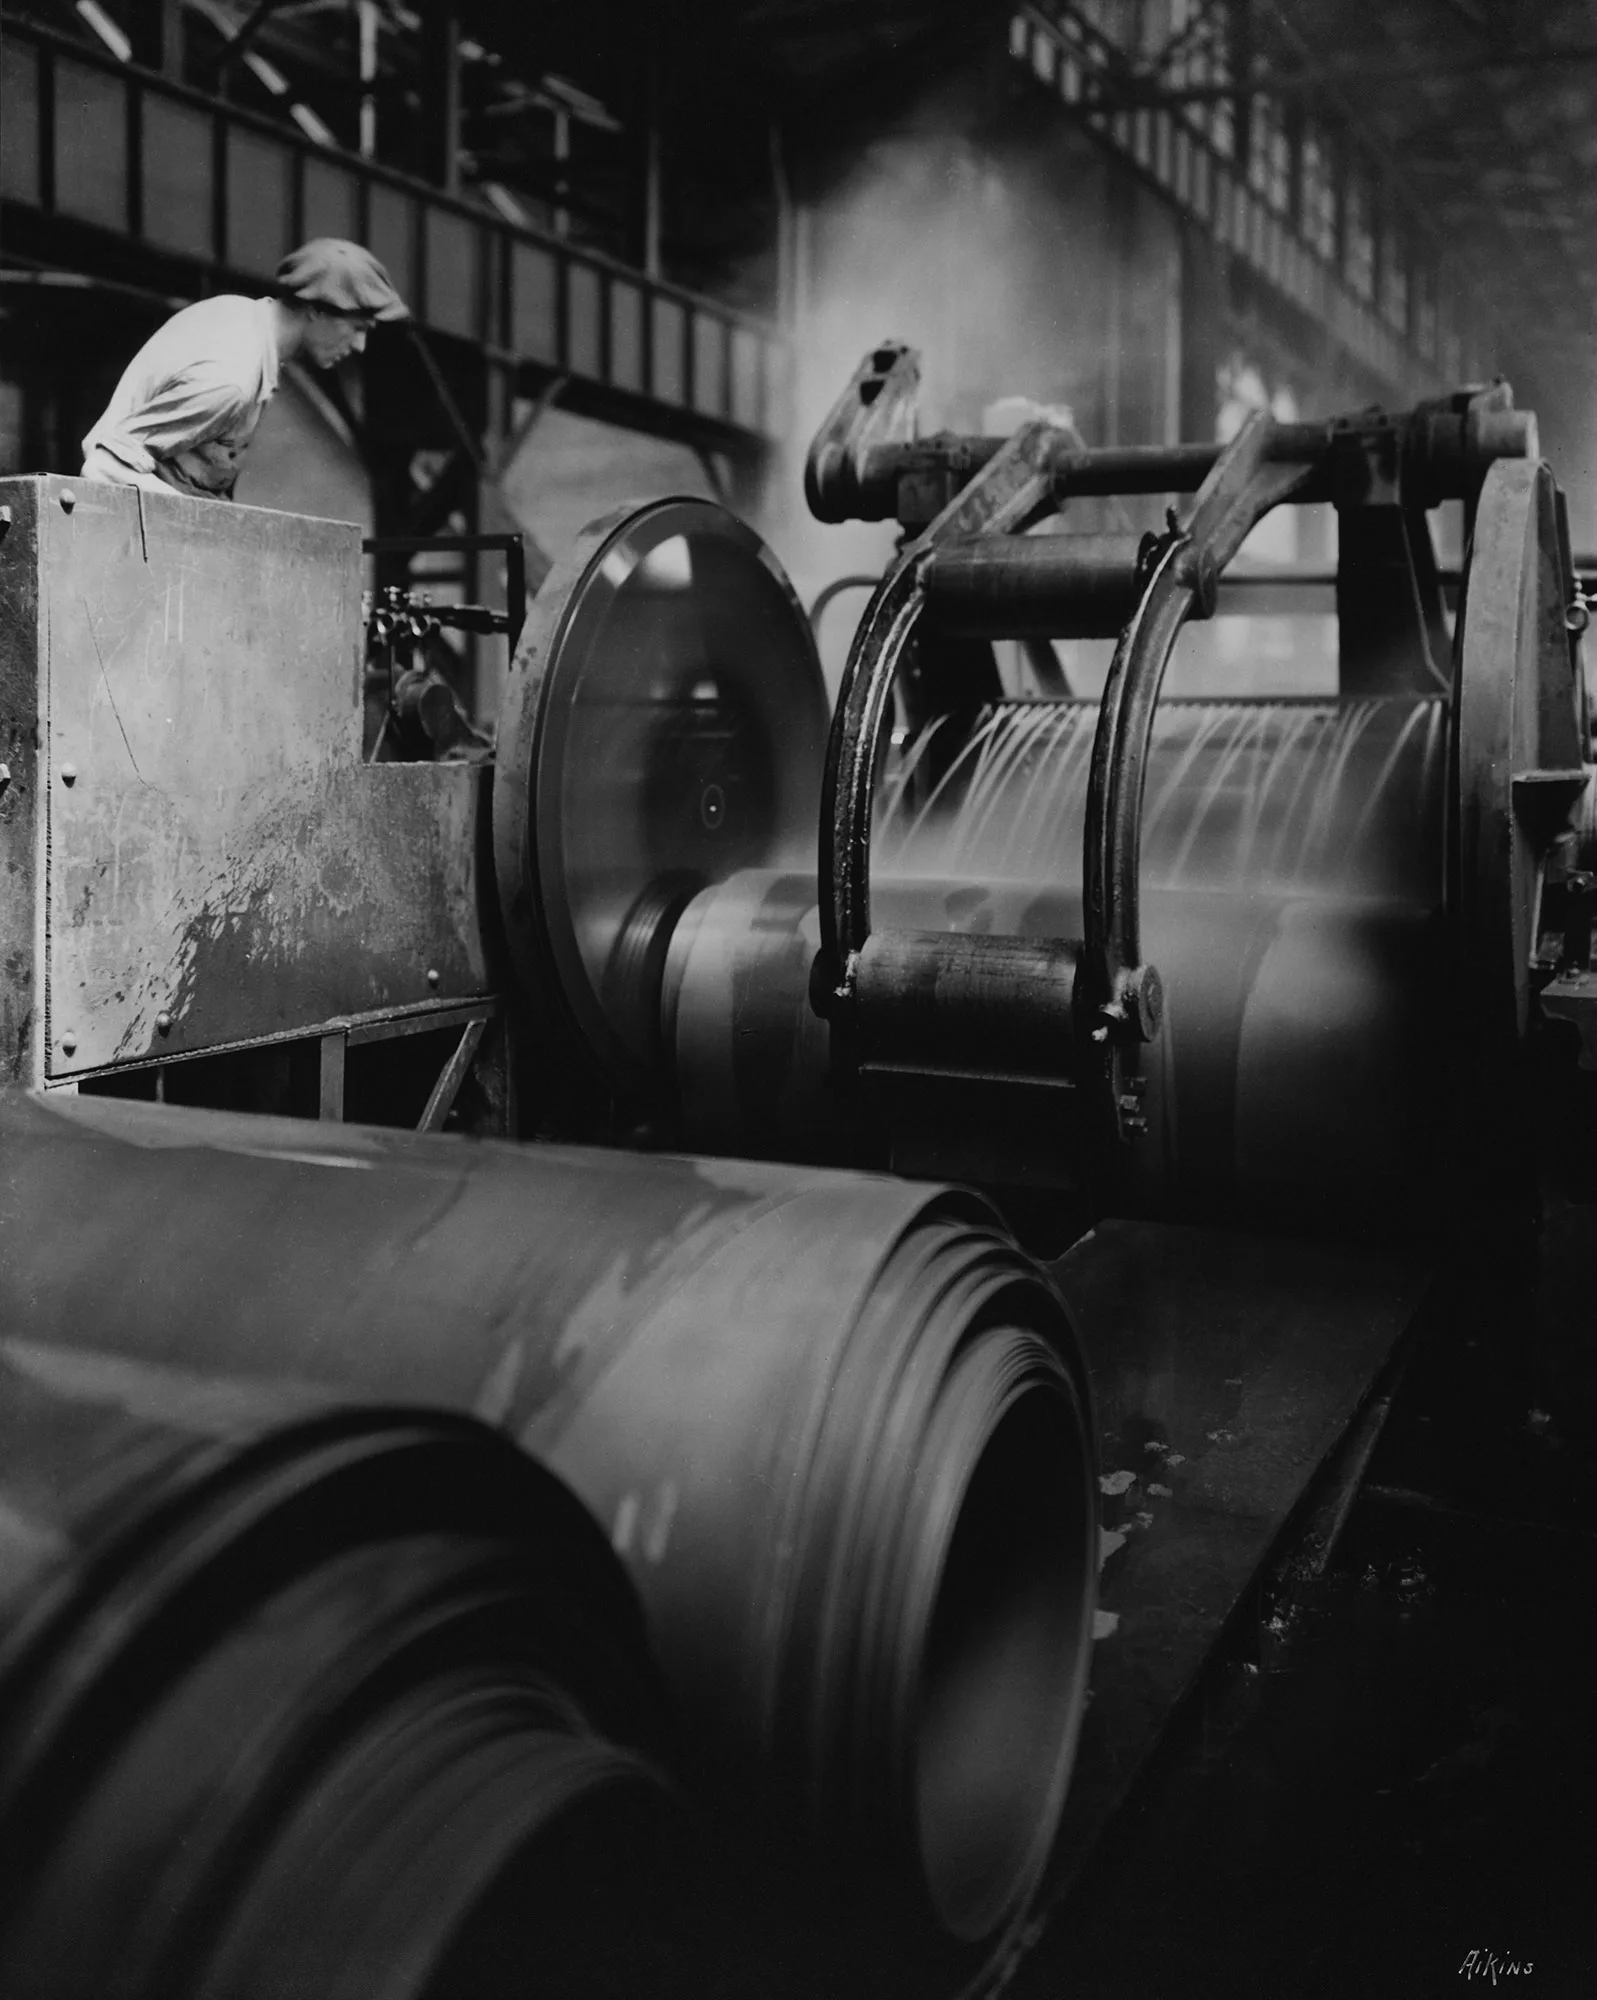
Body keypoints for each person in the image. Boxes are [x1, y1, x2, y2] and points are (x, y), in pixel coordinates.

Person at [80, 239, 407, 500]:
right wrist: (210, 524)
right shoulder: (232, 378)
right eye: (358, 327)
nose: (359, 345)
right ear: (317, 311)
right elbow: (105, 466)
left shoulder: (245, 320)